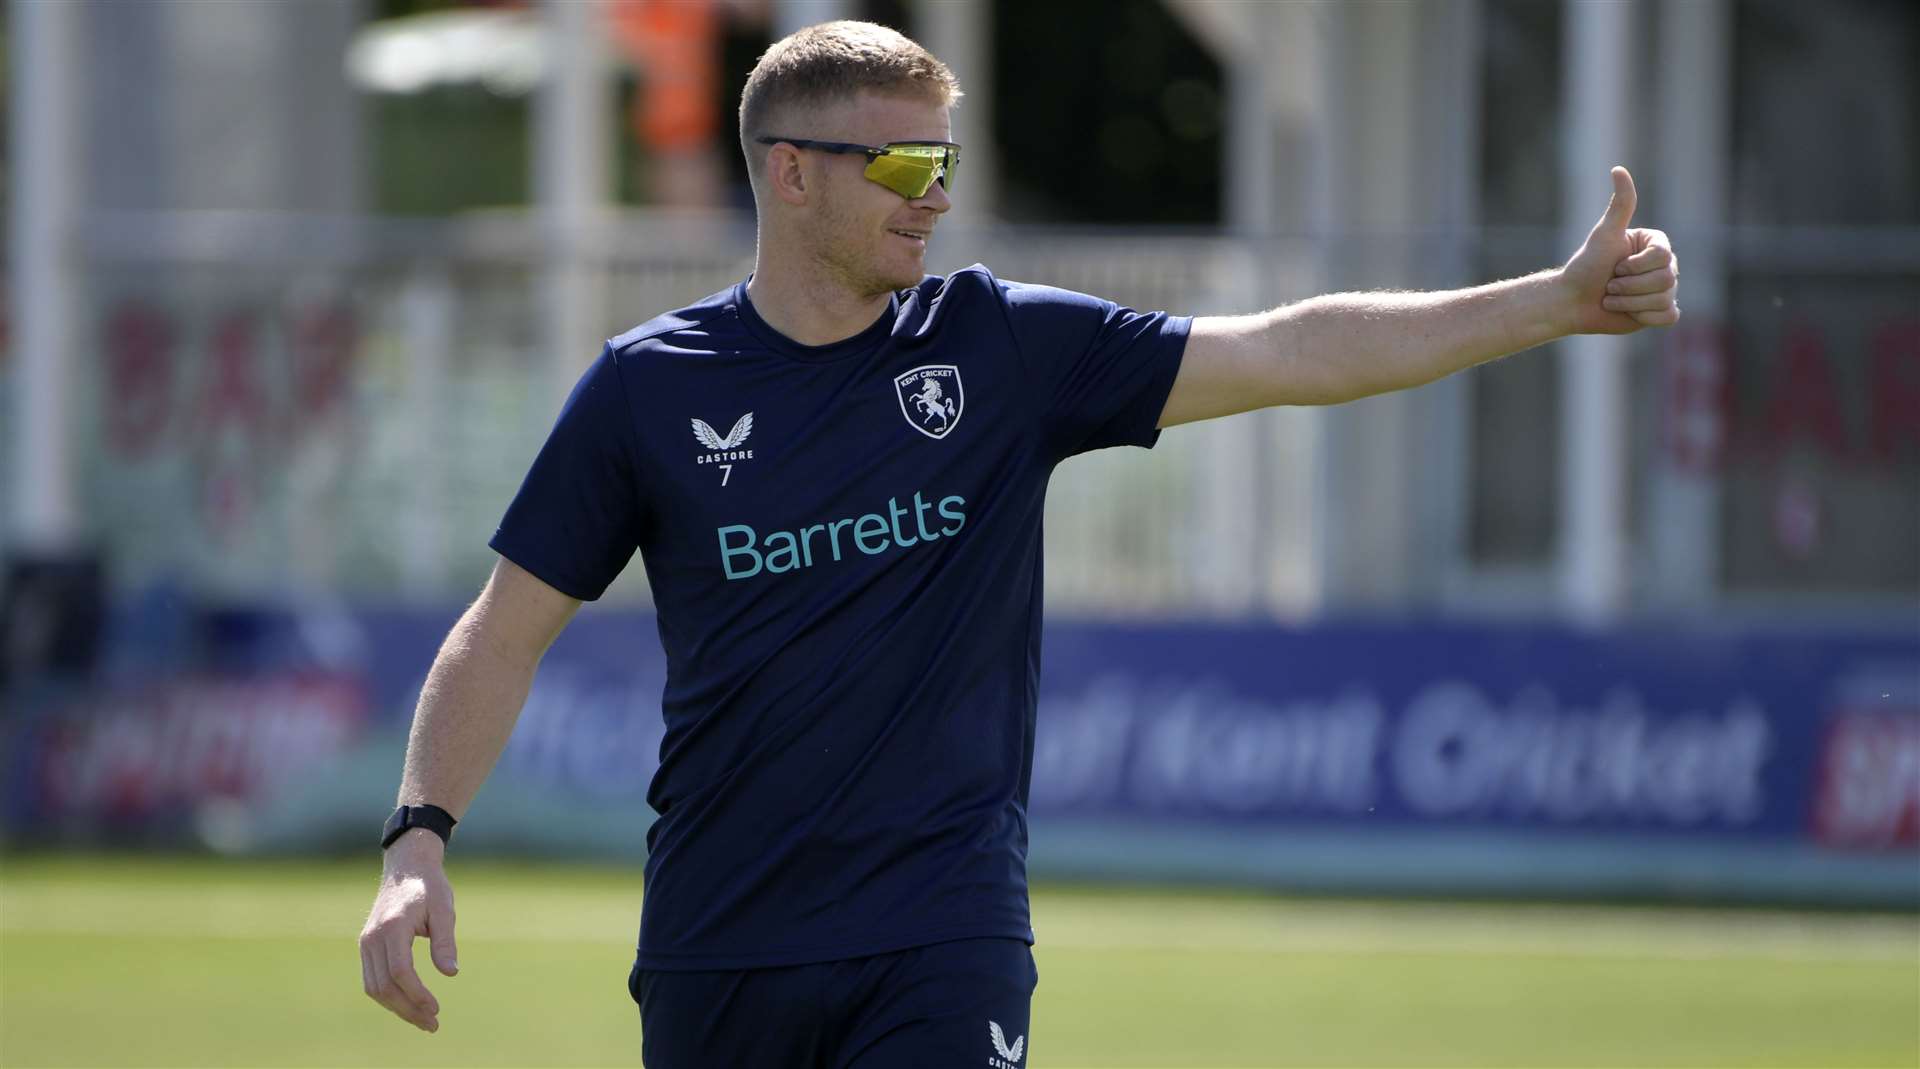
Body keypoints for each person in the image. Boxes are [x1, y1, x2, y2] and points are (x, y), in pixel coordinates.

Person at [358, 19, 1680, 1068]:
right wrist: (419, 838)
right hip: (719, 943)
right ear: (791, 170)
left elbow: (1288, 350)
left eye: (946, 164)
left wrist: (1545, 306)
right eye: (903, 166)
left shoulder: (1000, 347)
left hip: (944, 934)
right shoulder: (647, 387)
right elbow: (503, 630)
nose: (934, 198)